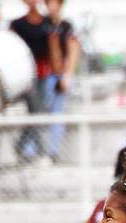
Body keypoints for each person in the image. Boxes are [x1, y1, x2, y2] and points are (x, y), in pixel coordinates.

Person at [10, 0, 53, 162]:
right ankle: (40, 150)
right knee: (36, 111)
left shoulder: (46, 22)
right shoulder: (18, 24)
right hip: (27, 74)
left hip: (43, 72)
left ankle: (22, 145)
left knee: (38, 112)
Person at [43, 0, 81, 162]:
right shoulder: (43, 24)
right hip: (44, 75)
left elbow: (73, 51)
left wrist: (67, 75)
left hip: (58, 75)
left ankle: (53, 151)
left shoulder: (66, 26)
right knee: (42, 112)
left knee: (57, 113)